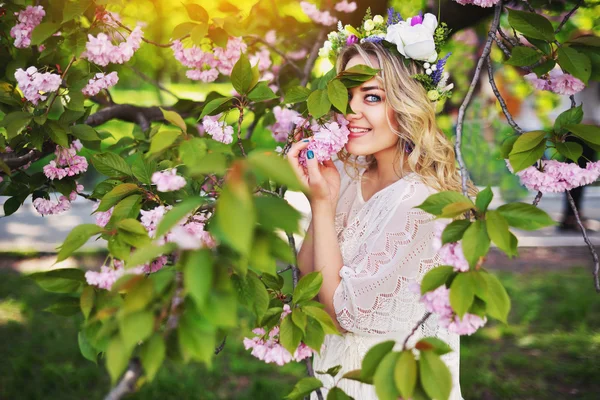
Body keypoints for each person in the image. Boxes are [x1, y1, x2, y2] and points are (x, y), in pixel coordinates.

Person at [286, 14, 471, 400]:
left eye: (371, 96)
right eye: (347, 95)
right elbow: (309, 280)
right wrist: (320, 198)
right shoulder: (350, 176)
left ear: (407, 103)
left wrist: (322, 206)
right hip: (334, 379)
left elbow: (342, 313)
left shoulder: (424, 201)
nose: (351, 111)